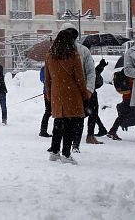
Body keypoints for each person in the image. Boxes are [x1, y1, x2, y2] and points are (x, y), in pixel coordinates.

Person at [45, 28, 91, 164]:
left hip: (56, 94)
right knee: (70, 125)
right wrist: (85, 93)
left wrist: (49, 93)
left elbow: (47, 79)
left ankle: (54, 151)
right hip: (72, 93)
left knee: (58, 123)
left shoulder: (49, 55)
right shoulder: (72, 55)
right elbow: (80, 78)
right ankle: (66, 154)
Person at [62, 23, 97, 152]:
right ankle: (63, 144)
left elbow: (90, 71)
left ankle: (75, 144)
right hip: (64, 92)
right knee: (63, 119)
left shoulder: (83, 50)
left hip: (80, 91)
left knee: (79, 118)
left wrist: (89, 89)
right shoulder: (58, 51)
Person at [85, 59, 109, 143]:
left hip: (87, 90)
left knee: (90, 113)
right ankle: (90, 136)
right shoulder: (84, 58)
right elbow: (92, 73)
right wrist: (100, 66)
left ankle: (100, 129)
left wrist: (101, 66)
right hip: (89, 91)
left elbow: (93, 73)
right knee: (91, 113)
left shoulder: (81, 56)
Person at [107, 68, 134, 141]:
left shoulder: (128, 72)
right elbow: (133, 87)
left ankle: (113, 130)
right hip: (131, 98)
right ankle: (113, 130)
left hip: (127, 97)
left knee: (123, 115)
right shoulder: (132, 74)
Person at [39, 64, 53, 137]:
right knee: (48, 112)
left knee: (49, 112)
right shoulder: (45, 68)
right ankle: (43, 130)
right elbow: (43, 79)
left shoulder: (45, 68)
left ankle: (43, 130)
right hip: (48, 92)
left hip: (51, 92)